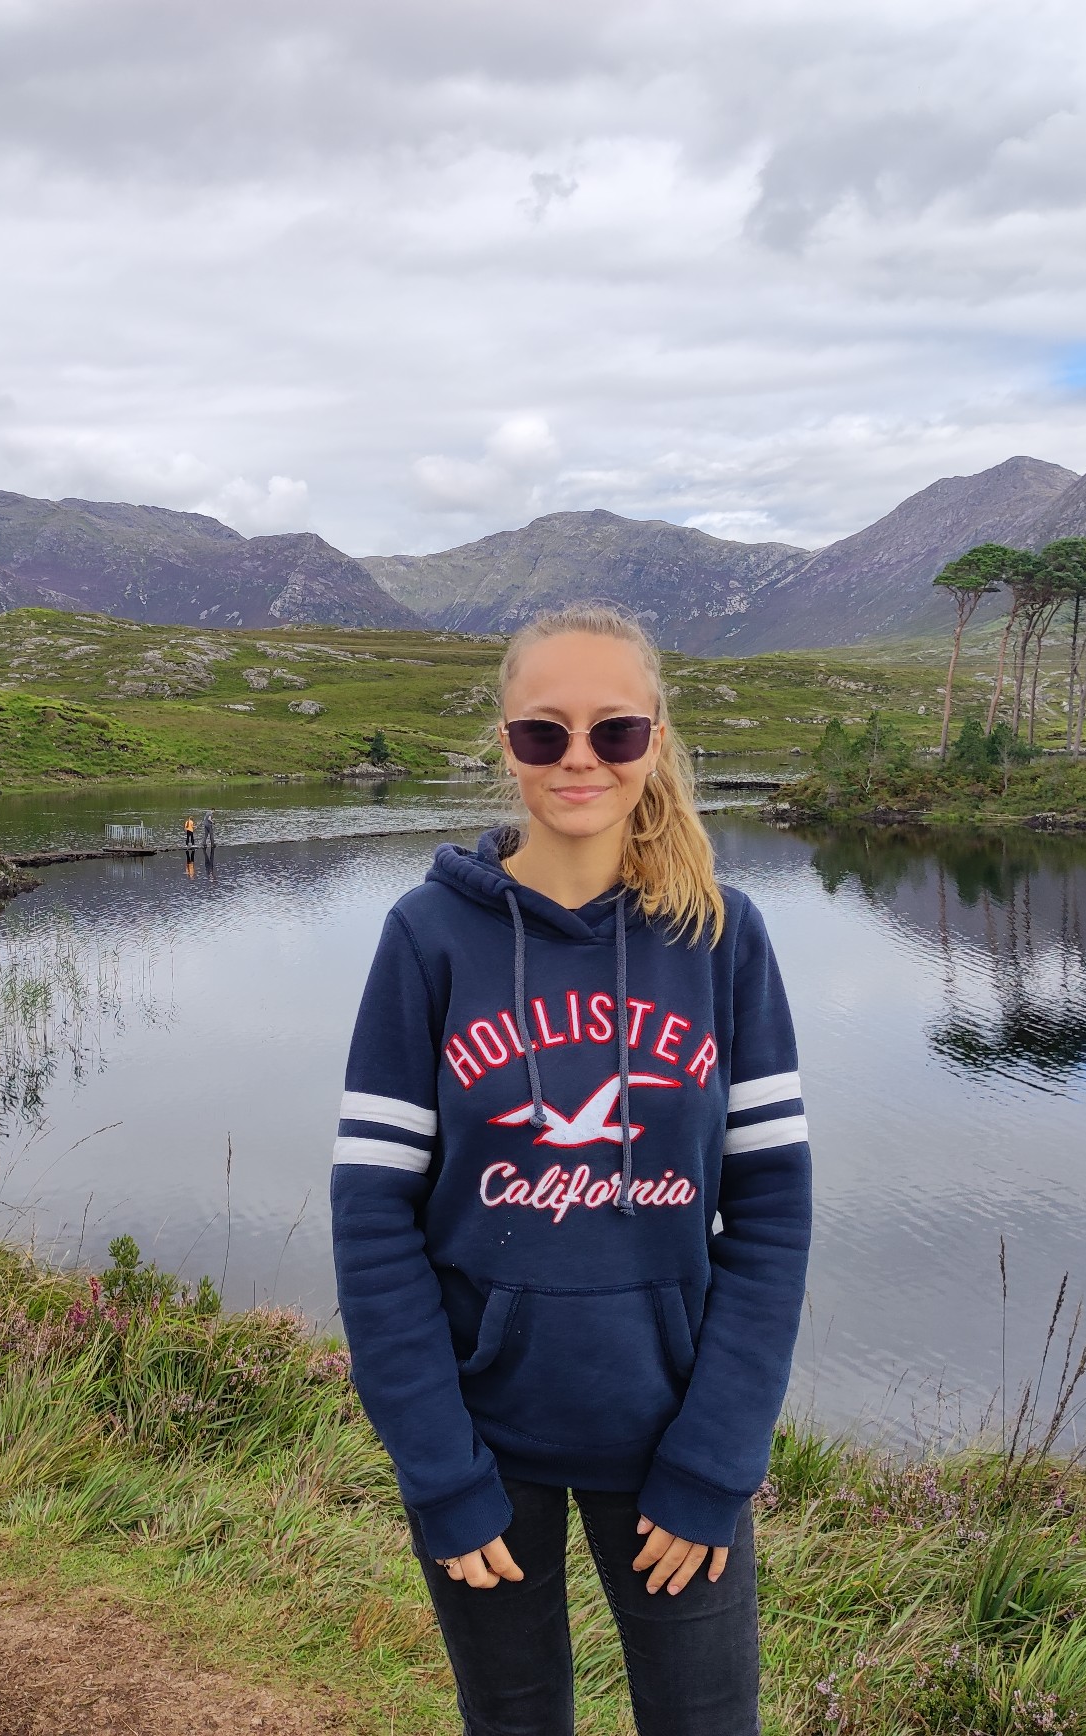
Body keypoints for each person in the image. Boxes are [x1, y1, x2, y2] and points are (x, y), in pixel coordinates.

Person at [330, 605, 812, 1736]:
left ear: (655, 740)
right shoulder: (427, 937)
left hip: (672, 1437)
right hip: (485, 1446)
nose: (579, 759)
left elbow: (772, 1215)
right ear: (507, 744)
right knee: (512, 1719)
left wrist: (716, 1459)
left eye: (615, 730)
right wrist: (440, 1471)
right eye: (544, 732)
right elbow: (373, 1217)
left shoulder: (723, 938)